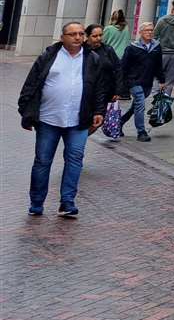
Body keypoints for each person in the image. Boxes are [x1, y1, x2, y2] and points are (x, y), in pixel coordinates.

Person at [18, 21, 112, 217]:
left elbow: (99, 88)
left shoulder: (92, 59)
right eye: (72, 34)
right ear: (62, 38)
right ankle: (36, 202)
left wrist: (99, 111)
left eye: (80, 34)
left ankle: (67, 202)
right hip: (48, 119)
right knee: (43, 161)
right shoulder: (48, 57)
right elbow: (31, 84)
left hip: (79, 120)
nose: (78, 37)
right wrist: (26, 112)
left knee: (75, 159)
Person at [118, 22, 163, 142]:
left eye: (151, 30)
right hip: (133, 81)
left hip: (147, 81)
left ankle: (120, 122)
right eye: (147, 30)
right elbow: (123, 67)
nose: (149, 32)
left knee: (136, 106)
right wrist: (120, 85)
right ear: (140, 32)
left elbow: (158, 65)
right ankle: (141, 132)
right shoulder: (132, 48)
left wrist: (162, 80)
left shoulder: (156, 47)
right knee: (140, 104)